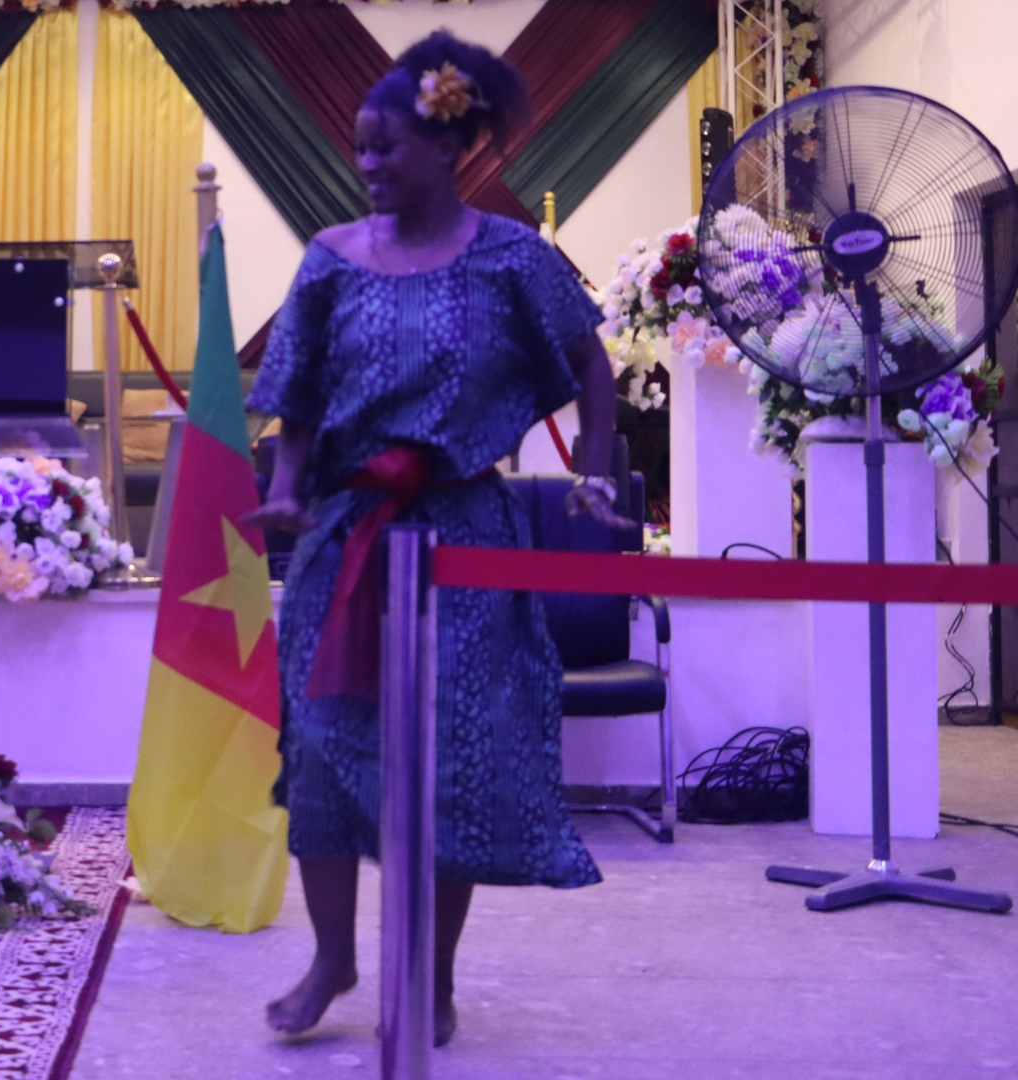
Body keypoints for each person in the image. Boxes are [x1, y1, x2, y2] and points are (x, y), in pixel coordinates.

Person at [243, 31, 631, 1047]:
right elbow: (294, 396)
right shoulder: (330, 258)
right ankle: (332, 958)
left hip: (463, 537)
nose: (366, 163)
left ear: (451, 147)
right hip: (346, 537)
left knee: (447, 758)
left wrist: (594, 471)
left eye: (387, 147)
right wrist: (285, 491)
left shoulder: (511, 256)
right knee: (321, 751)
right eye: (359, 147)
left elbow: (592, 365)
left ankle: (432, 973)